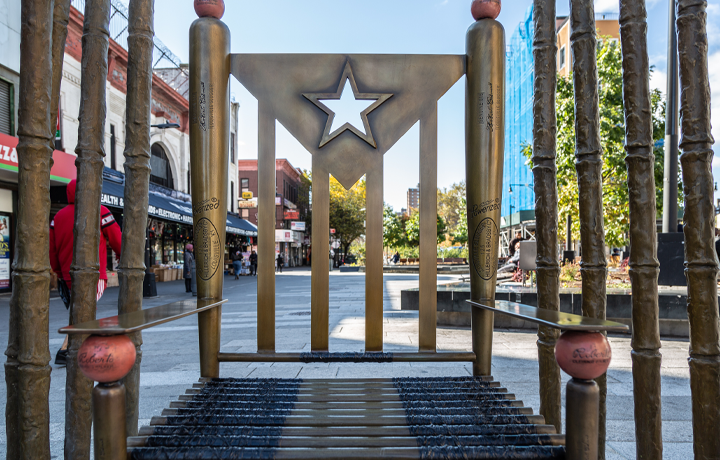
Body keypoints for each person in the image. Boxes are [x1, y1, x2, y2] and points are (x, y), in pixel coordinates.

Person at [50, 179, 122, 366]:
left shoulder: (57, 217)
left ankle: (72, 349)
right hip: (93, 273)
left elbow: (52, 249)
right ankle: (69, 350)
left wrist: (58, 271)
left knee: (81, 310)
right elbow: (117, 238)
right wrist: (122, 255)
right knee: (86, 311)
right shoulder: (100, 211)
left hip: (67, 274)